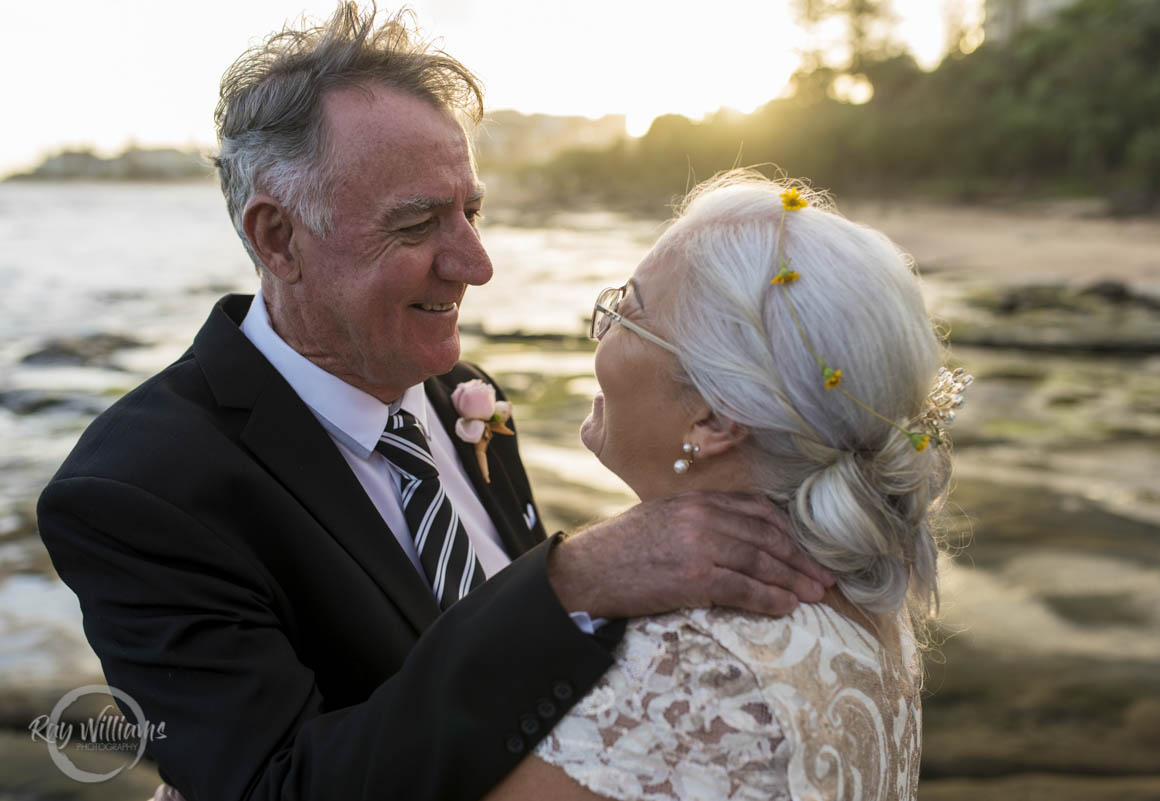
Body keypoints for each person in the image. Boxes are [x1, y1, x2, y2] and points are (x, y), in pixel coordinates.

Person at [36, 6, 835, 801]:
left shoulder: (465, 394)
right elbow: (278, 787)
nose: (477, 264)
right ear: (279, 238)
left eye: (472, 212)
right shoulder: (136, 491)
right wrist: (573, 579)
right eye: (418, 223)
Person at [481, 171, 968, 800]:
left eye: (627, 314)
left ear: (713, 415)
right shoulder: (866, 595)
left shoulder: (685, 671)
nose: (600, 336)